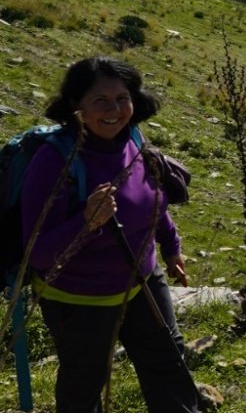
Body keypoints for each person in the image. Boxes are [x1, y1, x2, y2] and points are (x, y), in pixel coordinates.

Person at [21, 56, 200, 413]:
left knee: (169, 364)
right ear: (76, 105)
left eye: (122, 98)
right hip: (80, 299)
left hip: (144, 280)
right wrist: (86, 221)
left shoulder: (133, 137)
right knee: (84, 385)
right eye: (100, 100)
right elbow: (37, 253)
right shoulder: (55, 160)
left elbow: (154, 199)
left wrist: (171, 247)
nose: (114, 110)